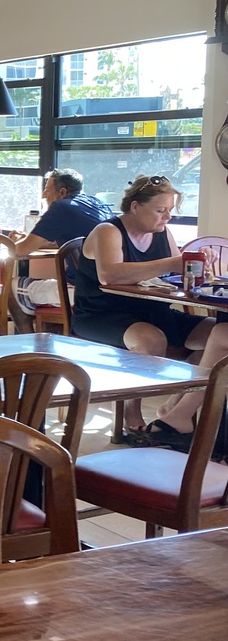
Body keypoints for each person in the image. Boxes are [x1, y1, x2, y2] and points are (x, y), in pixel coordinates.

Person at [72, 173, 228, 441]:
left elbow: (173, 275)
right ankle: (133, 416)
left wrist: (196, 268)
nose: (167, 217)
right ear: (135, 207)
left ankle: (173, 410)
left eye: (169, 210)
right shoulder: (108, 231)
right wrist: (174, 262)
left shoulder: (161, 232)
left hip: (154, 311)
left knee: (217, 336)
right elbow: (111, 275)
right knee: (152, 339)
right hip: (101, 315)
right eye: (160, 210)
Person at [12, 168, 113, 315]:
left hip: (81, 290)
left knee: (12, 286)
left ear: (62, 192)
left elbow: (20, 250)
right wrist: (29, 240)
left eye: (47, 190)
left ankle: (25, 335)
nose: (43, 194)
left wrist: (14, 241)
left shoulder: (61, 207)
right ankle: (51, 330)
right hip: (109, 290)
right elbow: (67, 240)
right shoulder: (97, 204)